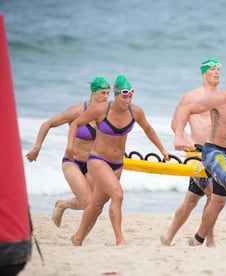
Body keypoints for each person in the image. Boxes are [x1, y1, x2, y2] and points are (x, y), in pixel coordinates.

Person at [65, 74, 169, 246]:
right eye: (124, 96)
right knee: (118, 195)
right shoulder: (100, 110)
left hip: (117, 164)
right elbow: (75, 123)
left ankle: (77, 237)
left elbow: (149, 130)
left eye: (130, 96)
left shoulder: (135, 112)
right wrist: (70, 146)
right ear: (116, 94)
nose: (127, 100)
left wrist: (162, 149)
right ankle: (120, 239)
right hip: (98, 160)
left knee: (97, 205)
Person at [172, 67, 226, 246]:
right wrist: (179, 135)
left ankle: (197, 240)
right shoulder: (221, 99)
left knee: (218, 201)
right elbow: (187, 109)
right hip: (214, 151)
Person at [26, 76, 111, 227]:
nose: (106, 97)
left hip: (93, 164)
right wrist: (37, 147)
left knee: (92, 204)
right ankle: (62, 206)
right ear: (93, 92)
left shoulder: (106, 114)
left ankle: (63, 204)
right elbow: (48, 124)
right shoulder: (78, 111)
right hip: (73, 162)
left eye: (108, 93)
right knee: (87, 202)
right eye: (103, 93)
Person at [161, 58, 221, 247]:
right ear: (204, 72)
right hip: (197, 154)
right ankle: (208, 240)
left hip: (217, 153)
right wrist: (188, 142)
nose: (217, 72)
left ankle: (168, 236)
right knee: (213, 194)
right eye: (213, 69)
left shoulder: (222, 97)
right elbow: (175, 123)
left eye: (219, 69)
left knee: (191, 201)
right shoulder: (192, 96)